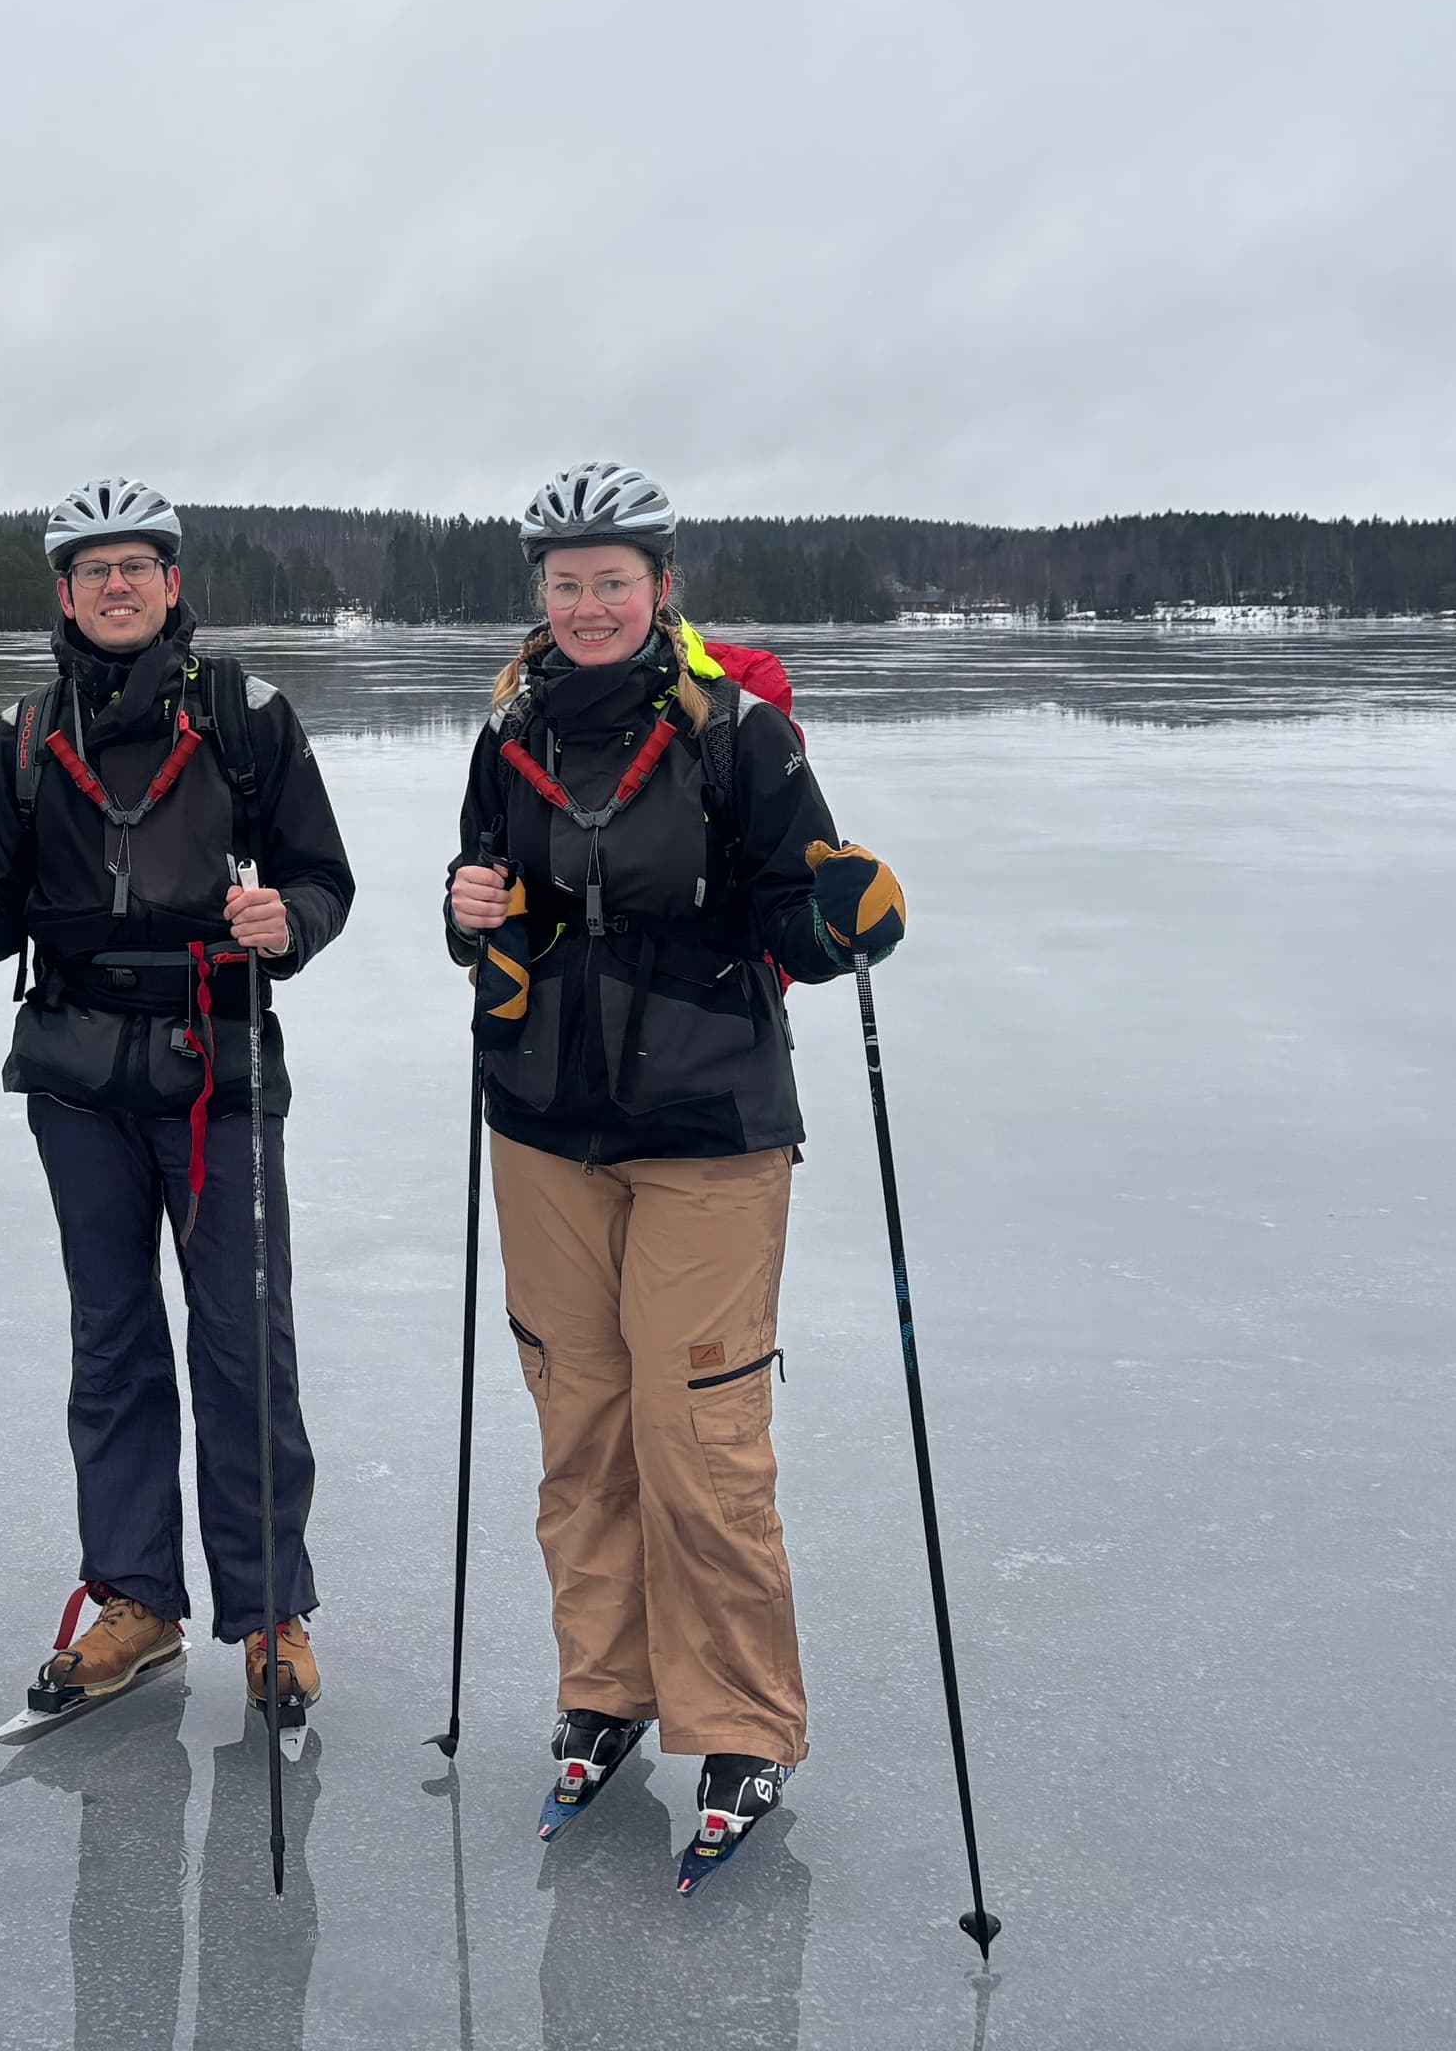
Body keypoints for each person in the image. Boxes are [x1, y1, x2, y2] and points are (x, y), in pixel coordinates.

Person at [443, 461, 910, 1884]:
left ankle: (743, 1720)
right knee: (579, 1425)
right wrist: (467, 915)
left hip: (709, 1128)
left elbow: (798, 913)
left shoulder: (742, 738)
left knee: (696, 1438)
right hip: (543, 1126)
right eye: (566, 582)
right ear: (541, 595)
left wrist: (846, 920)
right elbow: (489, 895)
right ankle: (608, 1688)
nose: (589, 604)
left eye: (614, 580)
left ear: (661, 590)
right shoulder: (507, 732)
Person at [0, 478, 359, 1737]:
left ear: (172, 584)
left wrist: (291, 923)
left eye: (138, 566)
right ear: (63, 592)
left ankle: (270, 1614)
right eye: (92, 568)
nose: (117, 586)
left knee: (242, 1344)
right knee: (111, 1343)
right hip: (76, 1081)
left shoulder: (248, 719)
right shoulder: (21, 728)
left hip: (219, 1070)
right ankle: (137, 1602)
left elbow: (323, 879)